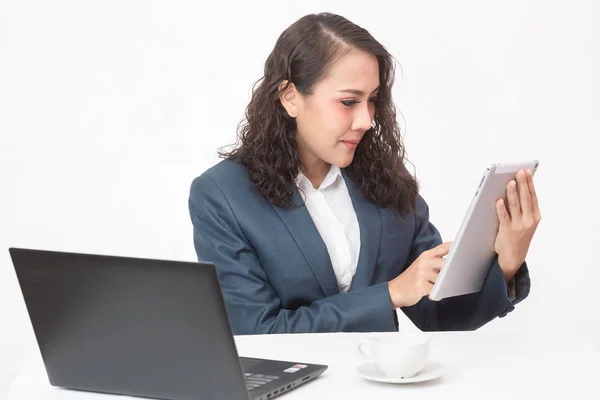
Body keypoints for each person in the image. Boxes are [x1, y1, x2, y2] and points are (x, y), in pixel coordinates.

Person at [188, 12, 540, 335]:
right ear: (290, 96)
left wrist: (507, 260)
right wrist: (388, 295)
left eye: (373, 99)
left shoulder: (384, 182)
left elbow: (440, 316)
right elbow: (258, 333)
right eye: (348, 101)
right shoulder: (222, 196)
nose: (366, 120)